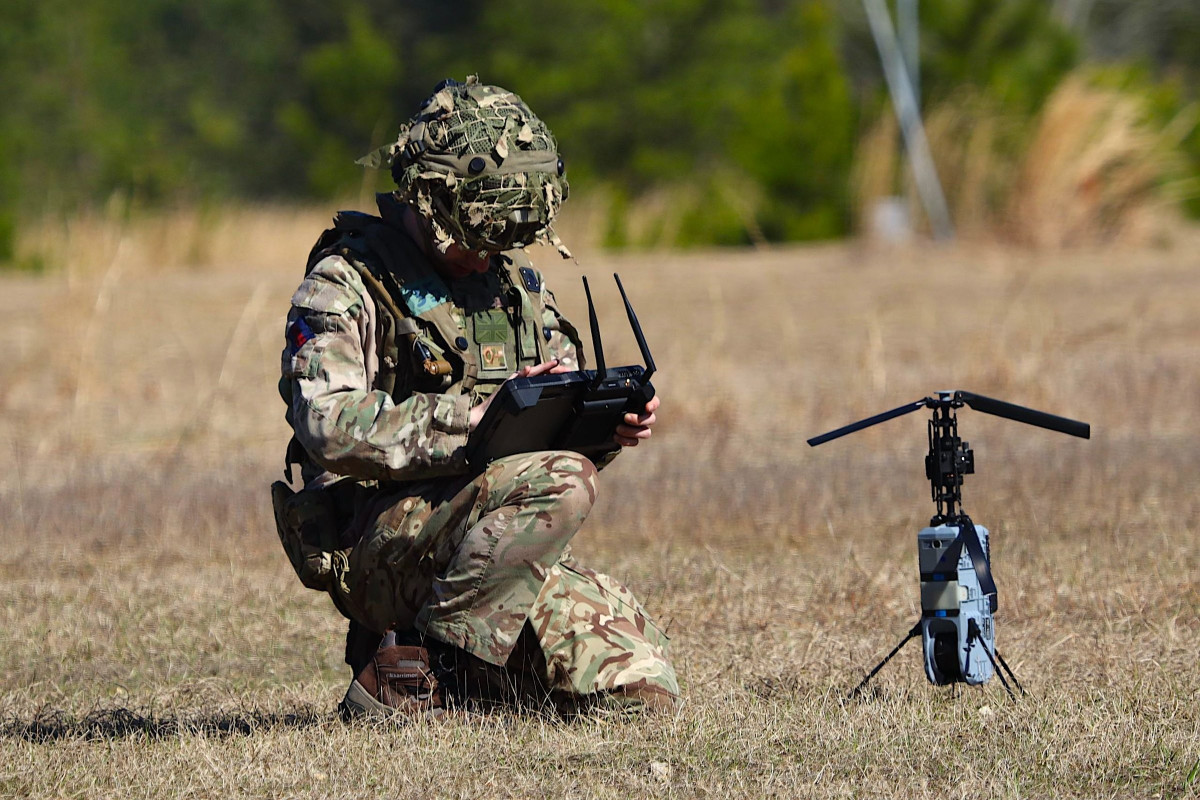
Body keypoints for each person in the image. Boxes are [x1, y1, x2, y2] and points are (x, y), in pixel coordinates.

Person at [271, 76, 679, 719]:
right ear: (429, 201)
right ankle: (414, 675)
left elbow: (545, 452)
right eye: (476, 234)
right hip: (375, 540)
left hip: (486, 542)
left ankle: (435, 662)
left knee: (641, 684)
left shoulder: (512, 287)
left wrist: (601, 426)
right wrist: (470, 421)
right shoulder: (345, 283)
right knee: (562, 479)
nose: (488, 253)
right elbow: (326, 425)